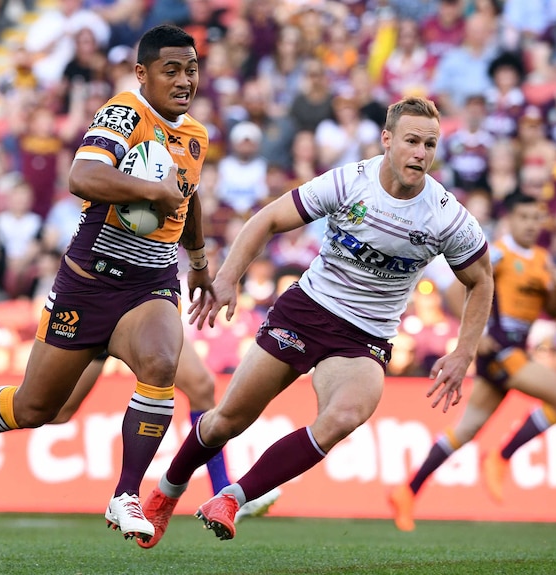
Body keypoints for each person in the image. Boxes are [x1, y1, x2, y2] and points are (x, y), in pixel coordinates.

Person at [134, 96, 494, 548]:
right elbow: (268, 219)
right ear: (387, 140)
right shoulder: (350, 182)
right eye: (411, 141)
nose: (421, 153)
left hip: (365, 337)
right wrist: (227, 277)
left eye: (430, 144)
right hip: (307, 311)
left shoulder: (445, 215)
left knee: (346, 415)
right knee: (228, 419)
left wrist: (464, 351)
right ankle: (168, 490)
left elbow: (481, 280)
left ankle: (232, 498)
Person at [0, 25, 211, 543]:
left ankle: (125, 495)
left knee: (162, 362)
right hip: (89, 283)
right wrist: (152, 192)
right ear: (142, 74)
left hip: (152, 280)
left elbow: (186, 195)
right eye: (172, 69)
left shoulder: (195, 134)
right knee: (38, 409)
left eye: (191, 69)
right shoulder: (124, 112)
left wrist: (202, 264)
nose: (185, 79)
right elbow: (82, 177)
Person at [389, 192, 556, 531]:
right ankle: (501, 457)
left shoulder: (544, 260)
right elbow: (455, 291)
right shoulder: (499, 252)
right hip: (500, 350)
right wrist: (478, 330)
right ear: (510, 220)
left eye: (537, 219)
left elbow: (554, 311)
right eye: (525, 218)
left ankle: (408, 491)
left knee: (466, 428)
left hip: (516, 350)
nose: (532, 225)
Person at [48, 338, 282, 523]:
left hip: (146, 302)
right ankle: (9, 411)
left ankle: (221, 491)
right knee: (54, 411)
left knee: (201, 387)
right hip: (101, 305)